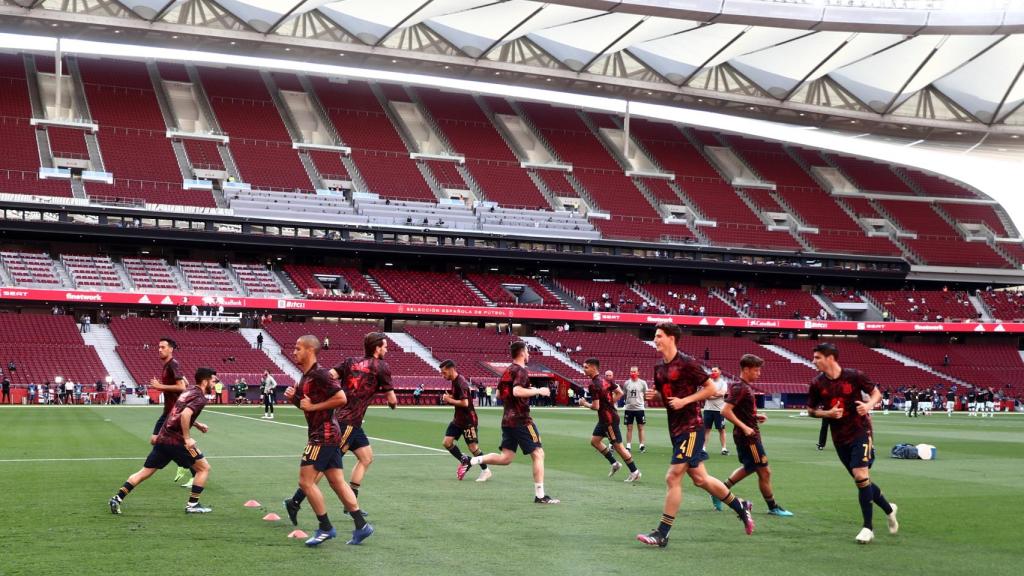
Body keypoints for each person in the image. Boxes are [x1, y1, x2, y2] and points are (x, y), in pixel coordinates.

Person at [636, 323, 754, 548]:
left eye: (659, 336)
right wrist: (656, 396)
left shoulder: (688, 363)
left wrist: (686, 401)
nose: (655, 339)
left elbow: (711, 389)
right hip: (675, 429)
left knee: (672, 477)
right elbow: (665, 395)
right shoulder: (658, 368)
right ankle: (741, 507)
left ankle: (662, 534)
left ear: (671, 338)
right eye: (655, 336)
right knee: (701, 479)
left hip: (691, 427)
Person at [285, 332, 397, 524]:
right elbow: (392, 400)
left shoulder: (350, 361)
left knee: (366, 458)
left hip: (352, 422)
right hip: (347, 421)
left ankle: (350, 502)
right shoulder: (381, 366)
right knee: (324, 466)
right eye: (385, 347)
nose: (386, 350)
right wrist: (386, 400)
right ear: (377, 348)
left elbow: (328, 376)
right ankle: (296, 501)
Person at [282, 335, 372, 546]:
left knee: (305, 482)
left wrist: (312, 406)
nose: (294, 352)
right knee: (336, 481)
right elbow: (307, 407)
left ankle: (325, 528)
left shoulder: (320, 374)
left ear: (310, 350)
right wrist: (295, 399)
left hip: (323, 435)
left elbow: (341, 398)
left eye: (297, 348)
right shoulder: (305, 377)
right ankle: (362, 526)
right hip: (328, 434)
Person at [807, 342, 898, 545]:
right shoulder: (817, 384)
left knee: (860, 474)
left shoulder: (855, 376)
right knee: (862, 480)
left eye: (817, 357)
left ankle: (868, 528)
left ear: (830, 358)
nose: (813, 361)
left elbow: (876, 393)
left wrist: (868, 405)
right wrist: (828, 414)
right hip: (839, 438)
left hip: (861, 431)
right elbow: (811, 411)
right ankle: (889, 509)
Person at [109, 367, 218, 515]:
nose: (215, 384)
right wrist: (187, 438)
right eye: (214, 381)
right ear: (205, 381)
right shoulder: (200, 397)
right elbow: (185, 414)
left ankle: (117, 498)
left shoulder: (189, 390)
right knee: (203, 468)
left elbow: (178, 411)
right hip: (177, 442)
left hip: (163, 438)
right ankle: (193, 505)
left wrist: (197, 425)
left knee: (144, 472)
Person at [467, 341, 558, 504]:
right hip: (522, 419)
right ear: (522, 352)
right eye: (527, 351)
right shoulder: (521, 371)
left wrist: (522, 396)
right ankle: (540, 496)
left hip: (507, 419)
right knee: (538, 454)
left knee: (506, 458)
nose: (529, 354)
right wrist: (539, 390)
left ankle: (475, 460)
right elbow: (516, 391)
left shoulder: (507, 371)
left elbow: (500, 394)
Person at [715, 354, 792, 517]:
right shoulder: (740, 387)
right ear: (746, 369)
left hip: (748, 435)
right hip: (749, 438)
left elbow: (738, 411)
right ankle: (773, 507)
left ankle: (719, 491)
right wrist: (745, 427)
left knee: (750, 467)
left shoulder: (743, 387)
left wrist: (755, 417)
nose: (759, 373)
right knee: (765, 472)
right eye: (756, 370)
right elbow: (725, 411)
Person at [578, 358, 640, 482]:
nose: (584, 369)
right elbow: (620, 392)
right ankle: (615, 463)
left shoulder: (593, 385)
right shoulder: (605, 380)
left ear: (593, 368)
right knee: (595, 441)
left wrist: (584, 404)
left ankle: (635, 471)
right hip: (605, 419)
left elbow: (596, 406)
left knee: (619, 447)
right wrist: (610, 403)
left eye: (586, 367)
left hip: (608, 420)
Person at [147, 338, 192, 487]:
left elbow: (182, 387)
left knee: (175, 443)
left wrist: (160, 386)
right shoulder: (168, 365)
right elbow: (185, 383)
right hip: (168, 411)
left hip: (173, 413)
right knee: (157, 440)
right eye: (159, 347)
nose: (159, 349)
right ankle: (184, 463)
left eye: (163, 347)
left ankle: (192, 470)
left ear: (171, 349)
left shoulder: (173, 364)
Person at [441, 360, 491, 482]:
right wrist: (450, 397)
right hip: (458, 419)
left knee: (473, 448)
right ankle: (465, 460)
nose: (443, 375)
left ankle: (486, 471)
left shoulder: (461, 382)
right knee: (447, 442)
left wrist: (449, 400)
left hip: (468, 420)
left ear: (451, 369)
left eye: (444, 372)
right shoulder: (454, 381)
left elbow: (465, 403)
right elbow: (459, 398)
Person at [703, 367, 729, 456]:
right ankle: (703, 448)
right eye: (712, 371)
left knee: (721, 429)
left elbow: (722, 393)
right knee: (706, 429)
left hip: (719, 410)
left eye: (715, 371)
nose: (713, 372)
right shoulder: (708, 382)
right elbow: (705, 395)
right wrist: (714, 394)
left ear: (720, 372)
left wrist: (710, 393)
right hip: (708, 409)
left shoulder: (723, 383)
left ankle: (724, 448)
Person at [623, 366, 648, 453]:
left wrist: (641, 402)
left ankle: (641, 445)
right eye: (631, 371)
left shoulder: (643, 383)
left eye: (634, 371)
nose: (633, 373)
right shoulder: (626, 383)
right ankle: (628, 446)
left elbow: (646, 394)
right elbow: (625, 394)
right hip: (629, 409)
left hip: (639, 409)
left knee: (640, 428)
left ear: (638, 373)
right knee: (629, 428)